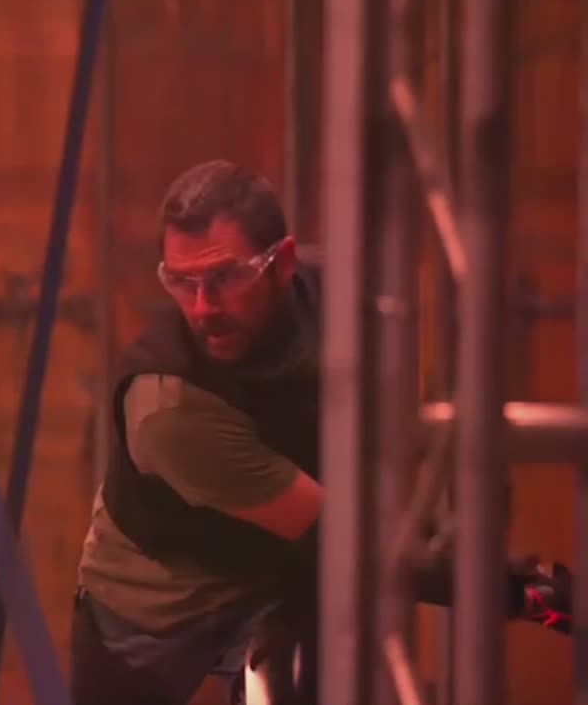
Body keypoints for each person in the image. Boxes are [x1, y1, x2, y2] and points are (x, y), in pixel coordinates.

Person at [70, 159, 573, 705]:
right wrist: (518, 594)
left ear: (283, 263)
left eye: (226, 278)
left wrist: (513, 581)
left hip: (274, 577)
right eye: (181, 283)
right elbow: (344, 537)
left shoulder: (339, 302)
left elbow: (380, 490)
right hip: (156, 604)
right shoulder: (170, 410)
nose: (203, 308)